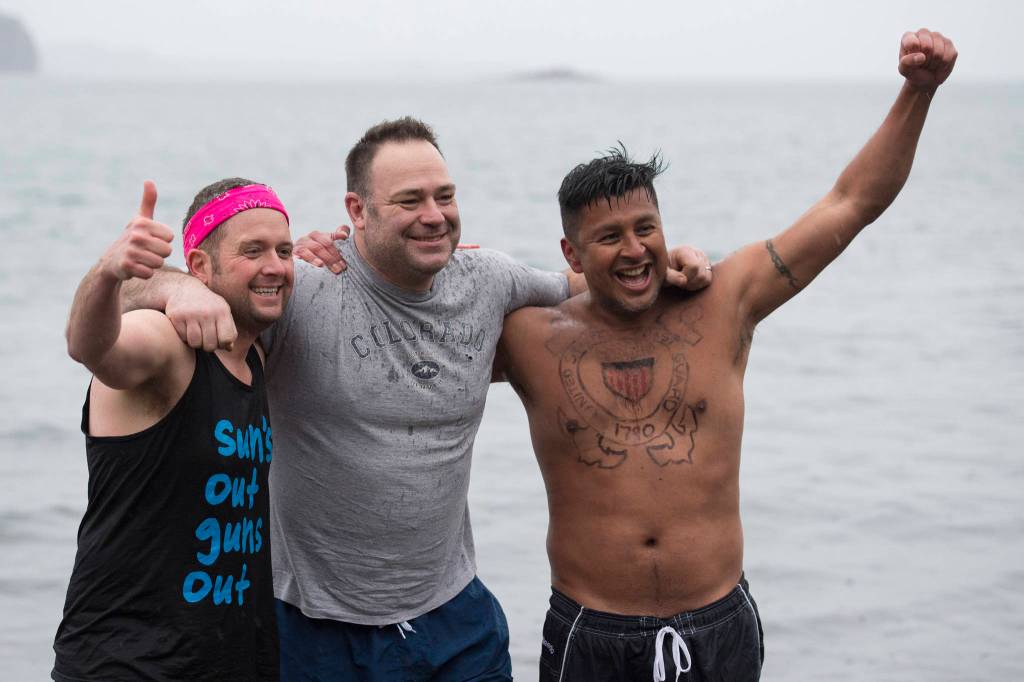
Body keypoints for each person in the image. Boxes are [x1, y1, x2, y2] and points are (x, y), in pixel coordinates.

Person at [118, 118, 713, 680]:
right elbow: (129, 302)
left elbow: (595, 281)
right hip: (317, 626)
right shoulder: (302, 286)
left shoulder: (488, 279)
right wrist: (174, 285)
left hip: (455, 620)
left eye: (445, 196)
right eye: (410, 201)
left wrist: (671, 262)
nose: (435, 216)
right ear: (356, 210)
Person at [492, 28, 956, 681]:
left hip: (717, 622)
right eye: (608, 238)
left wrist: (919, 91)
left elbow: (851, 204)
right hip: (592, 629)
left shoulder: (725, 301)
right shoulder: (529, 336)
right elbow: (427, 323)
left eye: (645, 228)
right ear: (571, 254)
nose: (633, 249)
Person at [53, 178, 294, 681]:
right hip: (128, 662)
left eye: (283, 249)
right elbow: (91, 348)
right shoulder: (167, 343)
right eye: (253, 250)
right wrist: (110, 274)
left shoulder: (254, 352)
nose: (274, 265)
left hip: (225, 660)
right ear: (201, 267)